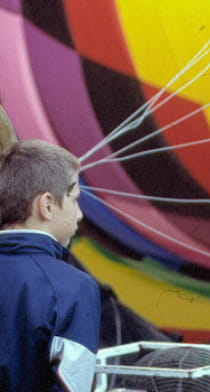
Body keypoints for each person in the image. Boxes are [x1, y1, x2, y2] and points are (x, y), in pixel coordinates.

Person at [0, 139, 101, 392]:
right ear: (46, 205)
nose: (79, 214)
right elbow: (73, 386)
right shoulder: (74, 287)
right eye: (74, 199)